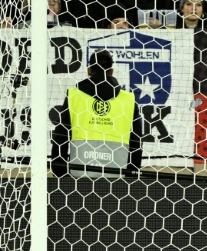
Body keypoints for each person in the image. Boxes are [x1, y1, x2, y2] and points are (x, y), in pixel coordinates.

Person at [50, 49, 145, 177]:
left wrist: (60, 173)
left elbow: (60, 136)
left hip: (79, 173)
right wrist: (132, 174)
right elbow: (136, 141)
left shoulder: (74, 96)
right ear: (111, 72)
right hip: (117, 174)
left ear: (89, 70)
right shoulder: (128, 99)